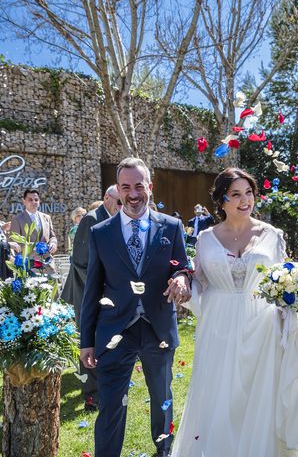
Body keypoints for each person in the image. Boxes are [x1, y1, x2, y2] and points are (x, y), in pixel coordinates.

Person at [172, 168, 298, 457]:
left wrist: (292, 295)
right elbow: (201, 281)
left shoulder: (272, 235)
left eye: (248, 192)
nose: (244, 200)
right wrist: (184, 284)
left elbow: (282, 275)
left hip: (262, 325)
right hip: (218, 326)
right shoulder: (205, 238)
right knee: (220, 395)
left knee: (260, 393)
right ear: (221, 200)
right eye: (236, 194)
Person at [80, 158, 191, 457]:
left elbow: (182, 266)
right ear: (117, 189)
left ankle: (163, 451)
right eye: (126, 186)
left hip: (159, 328)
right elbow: (92, 289)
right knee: (111, 404)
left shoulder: (172, 226)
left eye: (139, 186)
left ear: (150, 188)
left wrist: (181, 278)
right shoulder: (100, 232)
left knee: (162, 399)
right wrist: (86, 340)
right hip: (115, 329)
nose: (133, 194)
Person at [62, 185, 121, 412]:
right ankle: (92, 395)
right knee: (89, 339)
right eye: (118, 201)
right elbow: (81, 261)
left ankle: (103, 386)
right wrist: (105, 286)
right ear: (106, 198)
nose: (121, 206)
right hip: (88, 291)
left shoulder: (113, 218)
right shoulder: (91, 219)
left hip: (102, 291)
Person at [10, 189, 58, 254]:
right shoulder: (17, 219)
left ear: (39, 201)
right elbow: (15, 242)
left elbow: (52, 236)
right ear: (24, 201)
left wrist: (53, 243)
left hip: (47, 259)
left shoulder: (47, 218)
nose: (33, 202)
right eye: (30, 200)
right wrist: (33, 247)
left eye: (36, 200)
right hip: (29, 261)